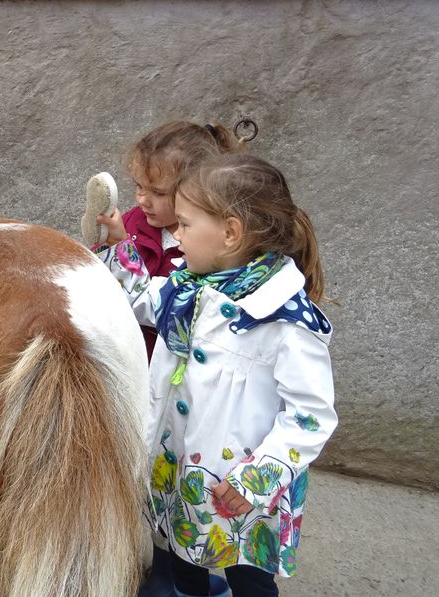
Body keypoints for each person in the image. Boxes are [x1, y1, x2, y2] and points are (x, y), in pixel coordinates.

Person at [111, 153, 336, 597]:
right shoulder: (190, 287)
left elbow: (311, 415)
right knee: (183, 562)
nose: (175, 234)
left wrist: (259, 479)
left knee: (249, 580)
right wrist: (119, 248)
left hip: (241, 492)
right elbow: (139, 298)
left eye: (186, 224)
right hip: (181, 471)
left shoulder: (284, 321)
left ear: (231, 233)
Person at [88, 121, 242, 359]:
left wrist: (120, 248)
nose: (142, 199)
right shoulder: (134, 221)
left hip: (160, 369)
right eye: (138, 185)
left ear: (196, 191)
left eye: (158, 192)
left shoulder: (205, 248)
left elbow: (155, 306)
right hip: (118, 355)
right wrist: (104, 244)